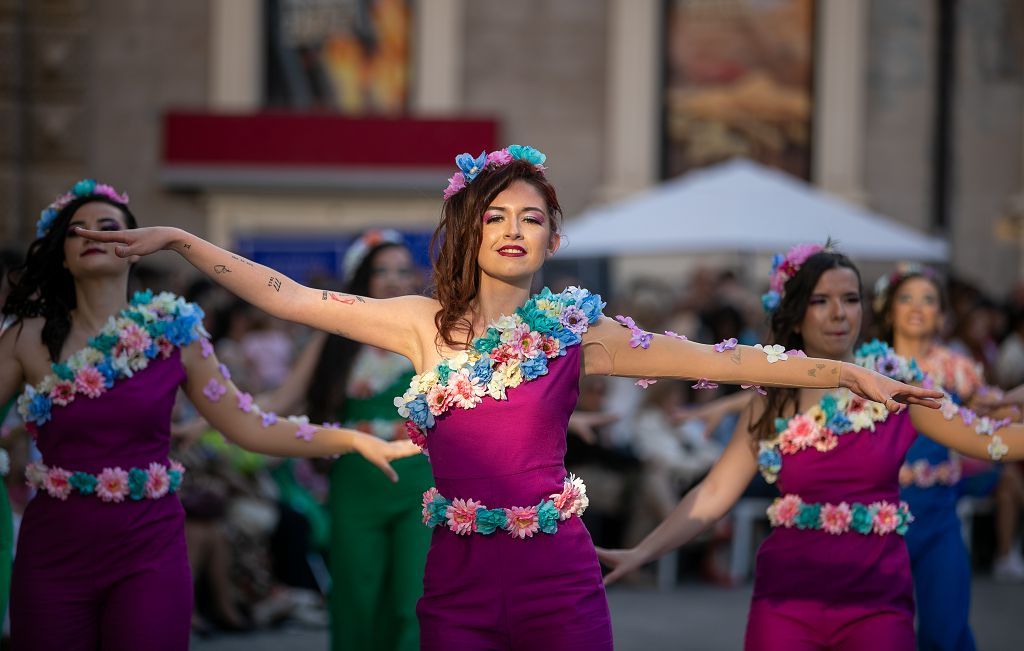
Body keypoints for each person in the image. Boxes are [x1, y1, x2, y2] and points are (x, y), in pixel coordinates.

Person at [77, 148, 939, 650]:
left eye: (532, 216)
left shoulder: (579, 332)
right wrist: (187, 240)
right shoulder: (421, 323)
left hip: (557, 582)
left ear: (553, 237)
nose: (516, 229)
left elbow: (719, 354)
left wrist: (841, 372)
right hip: (455, 582)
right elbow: (289, 297)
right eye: (497, 216)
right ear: (469, 231)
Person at [0, 180, 418, 650]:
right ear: (60, 252)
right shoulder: (24, 341)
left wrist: (350, 441)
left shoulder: (174, 334)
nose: (95, 236)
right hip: (53, 552)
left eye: (109, 226)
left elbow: (247, 424)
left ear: (135, 247)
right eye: (78, 230)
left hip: (148, 552)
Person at [597, 244, 1024, 651]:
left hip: (876, 603)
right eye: (821, 300)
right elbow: (713, 493)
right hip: (786, 603)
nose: (839, 313)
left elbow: (993, 442)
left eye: (851, 298)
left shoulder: (899, 383)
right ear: (797, 314)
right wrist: (643, 551)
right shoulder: (771, 398)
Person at [262, 229, 432, 651]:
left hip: (421, 480)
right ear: (362, 279)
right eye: (381, 271)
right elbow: (284, 397)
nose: (394, 280)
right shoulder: (334, 336)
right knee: (356, 594)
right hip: (356, 479)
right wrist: (213, 410)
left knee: (414, 597)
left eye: (402, 270)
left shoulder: (431, 331)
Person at [874, 263, 982, 649]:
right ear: (888, 309)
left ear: (942, 313)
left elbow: (990, 414)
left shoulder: (958, 367)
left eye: (928, 299)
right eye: (906, 297)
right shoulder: (867, 365)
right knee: (882, 632)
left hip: (939, 515)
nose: (917, 307)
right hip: (879, 518)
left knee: (945, 629)